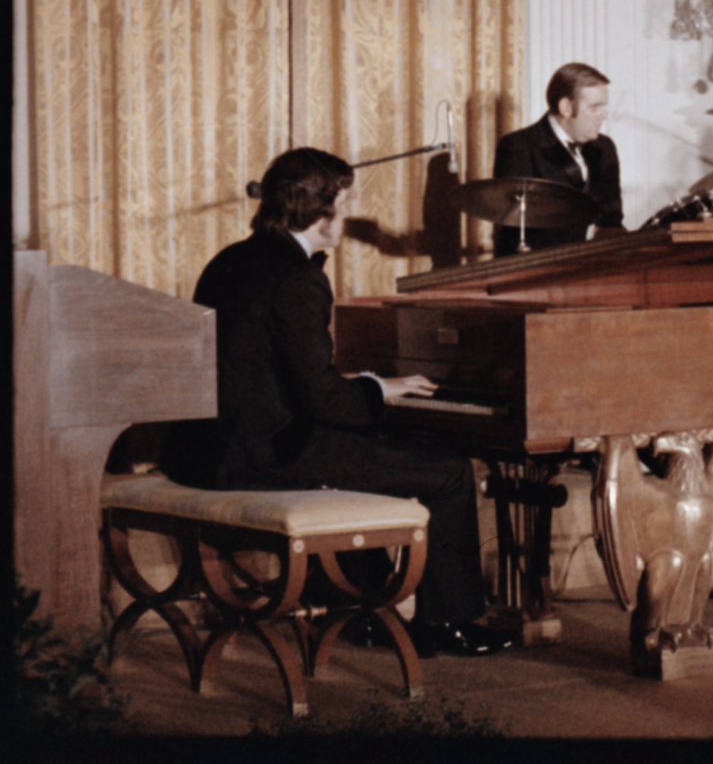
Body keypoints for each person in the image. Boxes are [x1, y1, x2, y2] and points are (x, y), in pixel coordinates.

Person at [167, 148, 514, 657]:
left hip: (207, 447)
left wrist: (363, 388)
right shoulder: (300, 278)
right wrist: (378, 389)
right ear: (318, 213)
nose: (346, 218)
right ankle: (449, 621)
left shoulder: (230, 261)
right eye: (344, 206)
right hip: (266, 455)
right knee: (450, 472)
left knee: (367, 445)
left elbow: (264, 370)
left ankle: (367, 611)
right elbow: (320, 396)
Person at [492, 61, 625, 255]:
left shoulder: (605, 148)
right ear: (566, 108)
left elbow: (612, 220)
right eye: (595, 107)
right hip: (537, 272)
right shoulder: (518, 146)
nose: (603, 116)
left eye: (603, 107)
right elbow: (517, 228)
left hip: (595, 269)